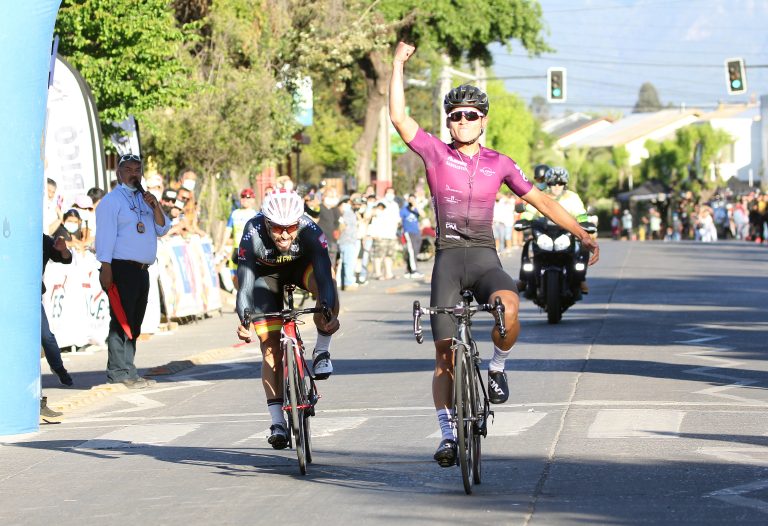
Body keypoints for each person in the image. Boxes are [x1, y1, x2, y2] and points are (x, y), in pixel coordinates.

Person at [389, 42, 599, 467]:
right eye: (455, 115)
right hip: (448, 259)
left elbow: (542, 201)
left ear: (483, 120)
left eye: (471, 115)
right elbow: (398, 117)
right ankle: (447, 435)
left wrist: (582, 233)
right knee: (444, 353)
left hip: (485, 257)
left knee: (509, 307)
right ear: (448, 121)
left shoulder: (500, 163)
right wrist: (397, 64)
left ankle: (498, 367)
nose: (463, 121)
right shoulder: (435, 153)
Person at [235, 190, 341, 449]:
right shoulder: (252, 232)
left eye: (290, 228)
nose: (284, 235)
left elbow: (324, 277)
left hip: (300, 268)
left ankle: (322, 351)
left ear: (298, 222)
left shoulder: (310, 229)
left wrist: (328, 311)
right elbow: (245, 282)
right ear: (266, 223)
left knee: (327, 288)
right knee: (270, 347)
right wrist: (244, 319)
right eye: (277, 228)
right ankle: (277, 422)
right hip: (265, 276)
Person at [95, 153, 171, 388]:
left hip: (142, 269)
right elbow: (105, 237)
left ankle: (129, 369)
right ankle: (118, 372)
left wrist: (155, 206)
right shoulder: (111, 201)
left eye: (137, 170)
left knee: (135, 322)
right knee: (121, 320)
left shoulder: (145, 199)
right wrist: (106, 267)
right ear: (119, 174)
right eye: (128, 170)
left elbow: (163, 228)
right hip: (120, 267)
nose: (133, 174)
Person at [519, 167, 591, 294]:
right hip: (544, 233)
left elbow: (580, 212)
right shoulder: (541, 195)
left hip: (566, 233)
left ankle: (580, 279)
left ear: (565, 184)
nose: (557, 186)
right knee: (528, 245)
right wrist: (524, 219)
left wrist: (584, 222)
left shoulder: (572, 197)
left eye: (561, 183)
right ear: (548, 183)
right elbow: (530, 210)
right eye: (553, 183)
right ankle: (524, 280)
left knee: (584, 248)